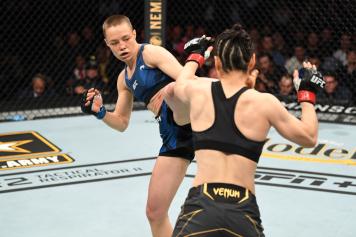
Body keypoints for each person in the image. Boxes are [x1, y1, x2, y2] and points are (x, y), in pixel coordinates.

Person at [171, 24, 324, 236]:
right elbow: (309, 137)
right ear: (252, 61)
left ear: (216, 61)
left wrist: (196, 55)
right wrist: (307, 93)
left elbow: (180, 83)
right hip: (242, 210)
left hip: (201, 206)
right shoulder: (265, 103)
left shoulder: (198, 90)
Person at [80, 15, 193, 237]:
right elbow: (122, 123)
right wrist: (100, 113)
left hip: (193, 120)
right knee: (155, 212)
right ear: (107, 44)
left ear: (134, 34)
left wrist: (173, 90)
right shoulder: (124, 79)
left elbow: (191, 83)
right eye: (114, 43)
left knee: (220, 205)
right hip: (173, 136)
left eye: (125, 39)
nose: (122, 46)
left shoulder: (151, 53)